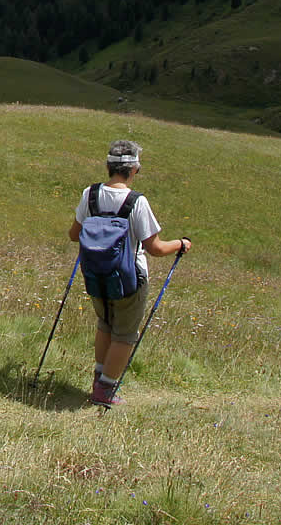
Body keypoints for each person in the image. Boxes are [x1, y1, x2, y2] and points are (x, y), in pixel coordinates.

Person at [67, 139, 190, 407]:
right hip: (129, 279)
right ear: (134, 169)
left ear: (109, 166)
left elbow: (74, 234)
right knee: (125, 334)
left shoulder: (90, 194)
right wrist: (181, 244)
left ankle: (98, 380)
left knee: (105, 325)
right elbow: (155, 248)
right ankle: (105, 391)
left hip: (95, 275)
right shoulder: (136, 201)